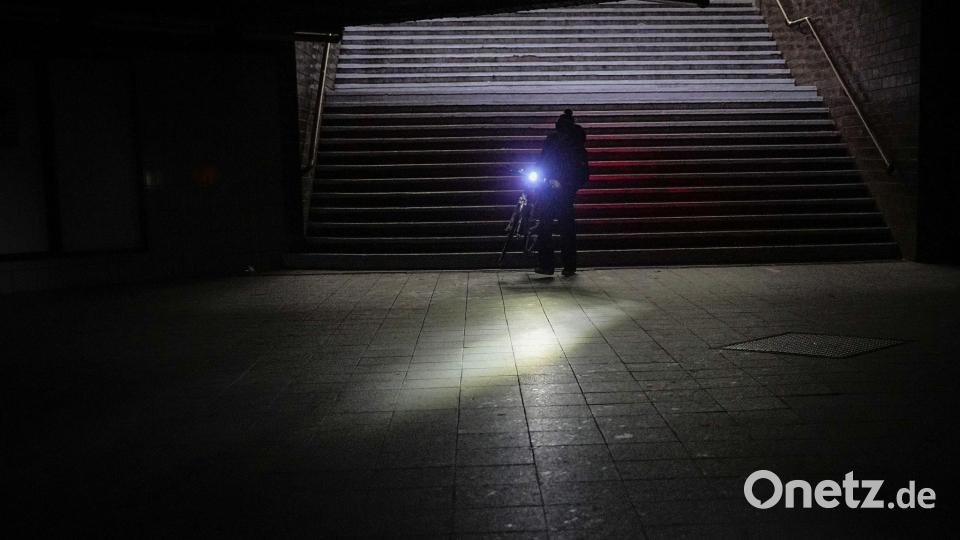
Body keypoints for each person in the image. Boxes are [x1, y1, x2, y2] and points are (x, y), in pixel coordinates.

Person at [533, 109, 588, 277]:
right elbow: (581, 171)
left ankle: (546, 265)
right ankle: (569, 266)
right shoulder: (577, 144)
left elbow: (543, 161)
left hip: (548, 188)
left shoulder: (553, 140)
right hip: (567, 190)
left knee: (545, 226)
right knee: (567, 228)